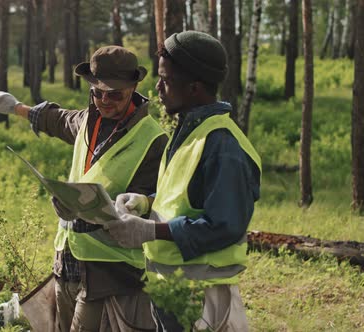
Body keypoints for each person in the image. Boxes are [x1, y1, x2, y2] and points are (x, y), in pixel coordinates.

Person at [0, 46, 168, 331]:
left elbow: (155, 203)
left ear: (133, 88)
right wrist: (16, 108)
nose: (104, 101)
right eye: (97, 92)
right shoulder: (86, 119)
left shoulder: (153, 139)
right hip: (68, 259)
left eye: (114, 94)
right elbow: (56, 120)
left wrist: (140, 203)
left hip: (109, 272)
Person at [106, 31, 262, 331]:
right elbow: (184, 197)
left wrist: (150, 231)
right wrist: (145, 202)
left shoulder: (222, 145)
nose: (158, 87)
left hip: (204, 298)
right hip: (175, 288)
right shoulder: (189, 131)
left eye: (166, 80)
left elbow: (225, 225)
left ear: (194, 88)